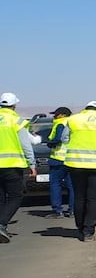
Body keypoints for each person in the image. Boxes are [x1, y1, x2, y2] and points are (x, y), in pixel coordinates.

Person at [63, 101, 96, 242]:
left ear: (85, 109)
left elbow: (64, 139)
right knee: (93, 198)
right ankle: (89, 231)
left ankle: (80, 227)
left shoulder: (73, 119)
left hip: (76, 164)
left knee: (79, 196)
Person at [0, 92, 38, 243]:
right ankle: (2, 224)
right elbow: (25, 145)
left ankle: (2, 225)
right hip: (12, 165)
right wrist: (32, 164)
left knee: (1, 198)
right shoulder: (16, 120)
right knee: (16, 196)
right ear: (14, 105)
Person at [46, 106, 76, 218]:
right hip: (71, 159)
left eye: (56, 114)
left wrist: (50, 143)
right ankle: (73, 210)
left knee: (55, 184)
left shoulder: (60, 123)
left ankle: (57, 210)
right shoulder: (74, 124)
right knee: (72, 186)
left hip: (58, 159)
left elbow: (58, 139)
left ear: (63, 115)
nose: (54, 116)